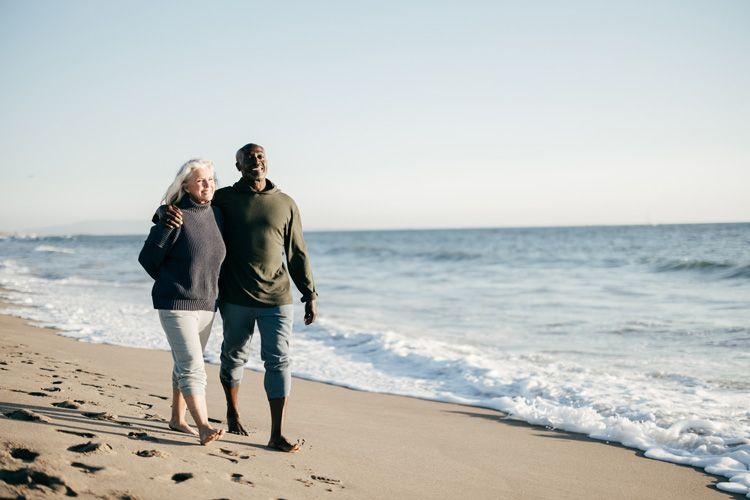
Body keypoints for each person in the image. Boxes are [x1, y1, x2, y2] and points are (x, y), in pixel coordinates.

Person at [164, 143, 317, 453]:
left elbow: (297, 253)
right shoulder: (224, 199)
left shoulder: (286, 203)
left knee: (279, 361)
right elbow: (189, 203)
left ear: (267, 162)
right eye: (248, 158)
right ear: (238, 166)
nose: (255, 161)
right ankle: (233, 414)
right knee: (233, 357)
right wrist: (162, 211)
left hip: (277, 298)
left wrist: (309, 293)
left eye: (260, 156)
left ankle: (277, 432)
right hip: (235, 298)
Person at [138, 158, 226, 446]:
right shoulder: (174, 216)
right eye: (200, 180)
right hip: (176, 303)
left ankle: (177, 418)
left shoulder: (218, 215)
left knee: (185, 362)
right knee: (192, 366)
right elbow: (148, 259)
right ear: (185, 185)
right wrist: (172, 282)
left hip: (207, 305)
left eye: (211, 180)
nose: (207, 185)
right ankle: (203, 426)